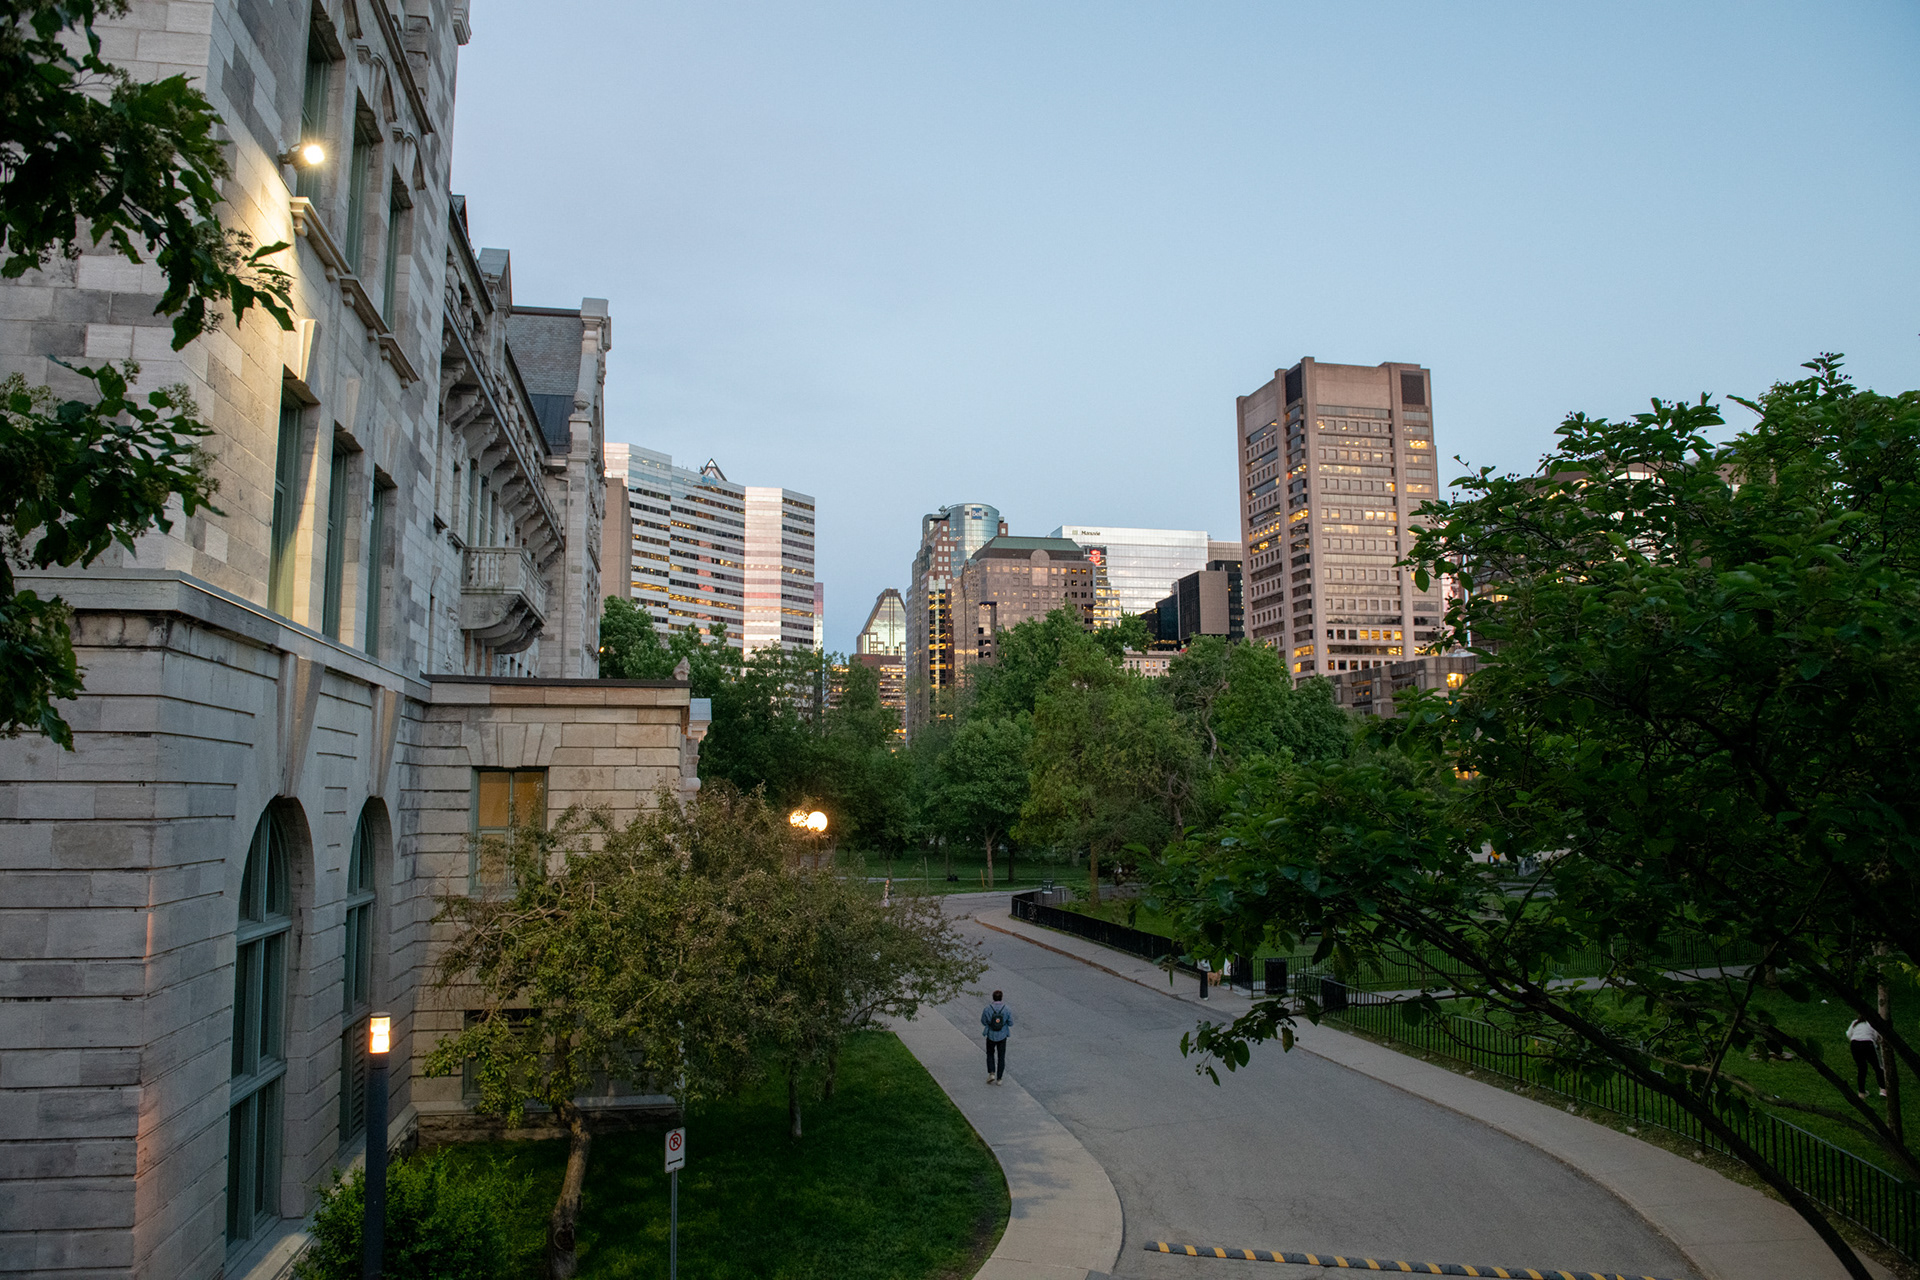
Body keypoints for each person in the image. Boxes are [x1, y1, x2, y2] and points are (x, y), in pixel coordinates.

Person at [1849, 1017, 1887, 1098]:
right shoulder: (1873, 1023)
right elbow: (1878, 1036)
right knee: (1877, 1067)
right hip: (1868, 1043)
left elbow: (1849, 1034)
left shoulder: (1855, 1022)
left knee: (1861, 1068)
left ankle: (1861, 1092)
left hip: (1854, 1044)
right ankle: (1883, 1089)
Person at [981, 989, 1013, 1084]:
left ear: (993, 998)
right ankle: (999, 1079)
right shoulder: (1007, 1009)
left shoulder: (987, 1008)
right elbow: (1011, 1023)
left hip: (991, 1034)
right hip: (1002, 1035)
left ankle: (991, 1072)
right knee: (1001, 1056)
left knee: (990, 1053)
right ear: (1001, 998)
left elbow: (983, 1021)